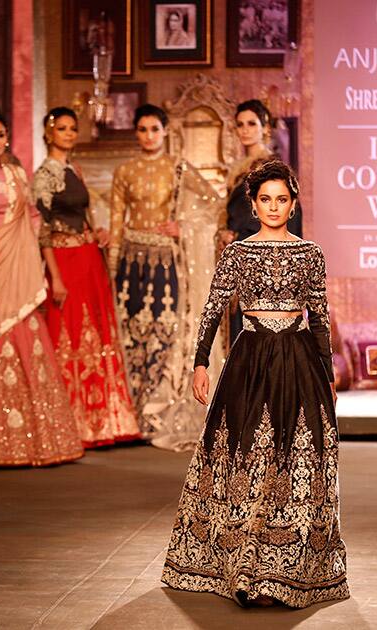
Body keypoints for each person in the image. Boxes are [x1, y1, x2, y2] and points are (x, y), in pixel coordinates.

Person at [162, 160, 348, 609]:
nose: (273, 206)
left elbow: (320, 318)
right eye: (265, 199)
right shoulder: (237, 254)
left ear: (293, 203)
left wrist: (327, 373)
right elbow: (213, 309)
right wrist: (200, 363)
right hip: (249, 362)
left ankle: (288, 569)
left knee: (297, 458)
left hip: (297, 360)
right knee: (244, 460)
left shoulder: (310, 254)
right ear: (253, 203)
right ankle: (245, 568)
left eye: (281, 199)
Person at [0, 110, 84, 467]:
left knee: (27, 338)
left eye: (1, 135)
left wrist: (41, 265)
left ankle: (37, 443)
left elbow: (32, 218)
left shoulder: (16, 173)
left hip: (19, 267)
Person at [107, 103, 221, 444]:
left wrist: (182, 226)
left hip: (165, 264)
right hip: (131, 263)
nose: (148, 136)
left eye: (154, 129)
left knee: (163, 332)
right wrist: (113, 266)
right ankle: (133, 414)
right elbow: (116, 222)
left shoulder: (177, 168)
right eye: (142, 130)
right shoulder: (124, 171)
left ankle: (157, 412)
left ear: (165, 131)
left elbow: (212, 204)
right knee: (131, 335)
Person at [32, 107, 139, 447]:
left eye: (71, 128)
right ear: (48, 133)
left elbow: (84, 215)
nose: (67, 134)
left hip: (88, 256)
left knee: (97, 333)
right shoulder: (44, 175)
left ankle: (103, 421)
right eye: (61, 128)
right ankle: (71, 426)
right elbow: (42, 230)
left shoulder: (72, 168)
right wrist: (55, 277)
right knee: (69, 333)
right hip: (64, 261)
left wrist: (100, 233)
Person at [220, 100, 297, 345]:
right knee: (240, 326)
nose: (245, 130)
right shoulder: (236, 169)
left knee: (260, 324)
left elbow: (281, 211)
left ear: (265, 127)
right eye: (240, 125)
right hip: (240, 250)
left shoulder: (271, 166)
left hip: (263, 250)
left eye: (251, 124)